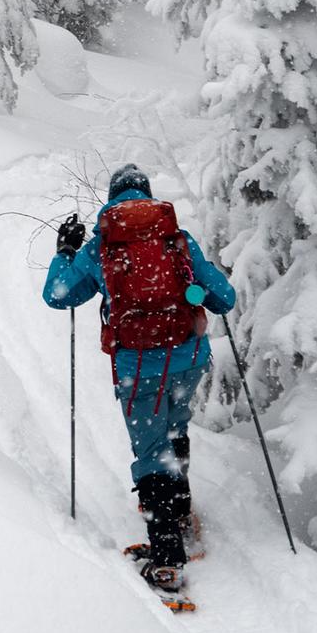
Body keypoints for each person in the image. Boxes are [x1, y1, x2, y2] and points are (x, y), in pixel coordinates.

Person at [41, 163, 235, 598]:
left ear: (113, 199)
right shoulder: (176, 238)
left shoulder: (102, 246)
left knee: (151, 451)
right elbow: (225, 297)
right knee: (175, 430)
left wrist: (65, 252)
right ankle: (178, 513)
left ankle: (166, 560)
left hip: (139, 367)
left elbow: (57, 295)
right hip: (189, 359)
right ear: (148, 196)